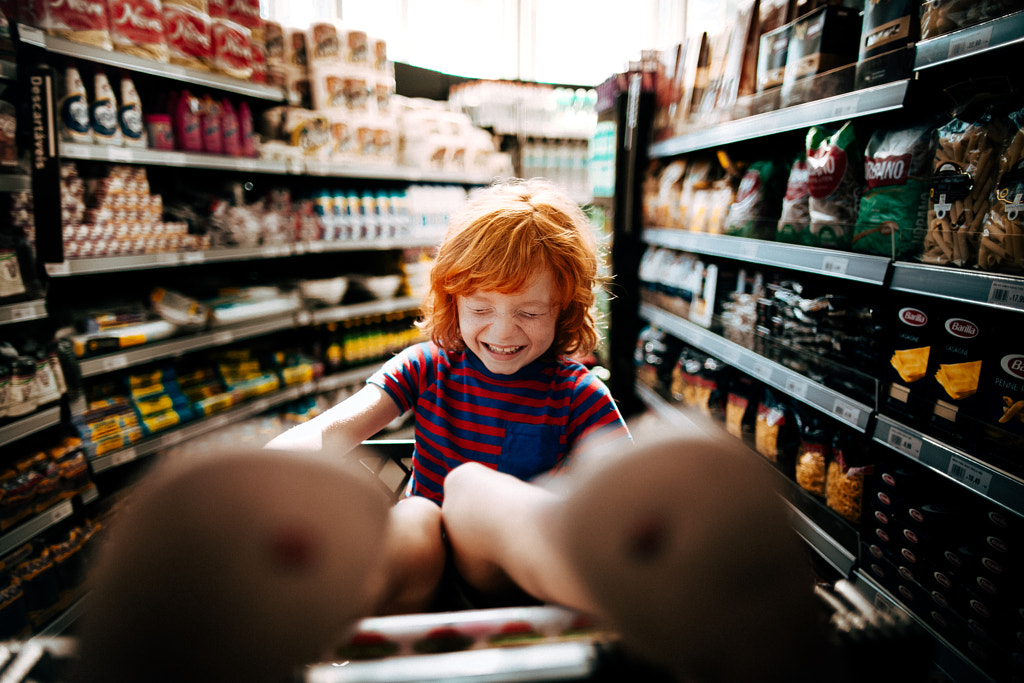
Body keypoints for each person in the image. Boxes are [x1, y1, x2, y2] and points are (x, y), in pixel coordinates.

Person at [265, 177, 632, 615]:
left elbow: (627, 498)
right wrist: (259, 478)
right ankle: (316, 613)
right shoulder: (428, 366)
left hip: (521, 594)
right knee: (415, 515)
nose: (501, 332)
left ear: (564, 309)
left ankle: (626, 595)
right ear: (452, 302)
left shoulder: (579, 395)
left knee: (467, 486)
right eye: (480, 309)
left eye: (529, 313)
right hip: (422, 592)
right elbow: (328, 432)